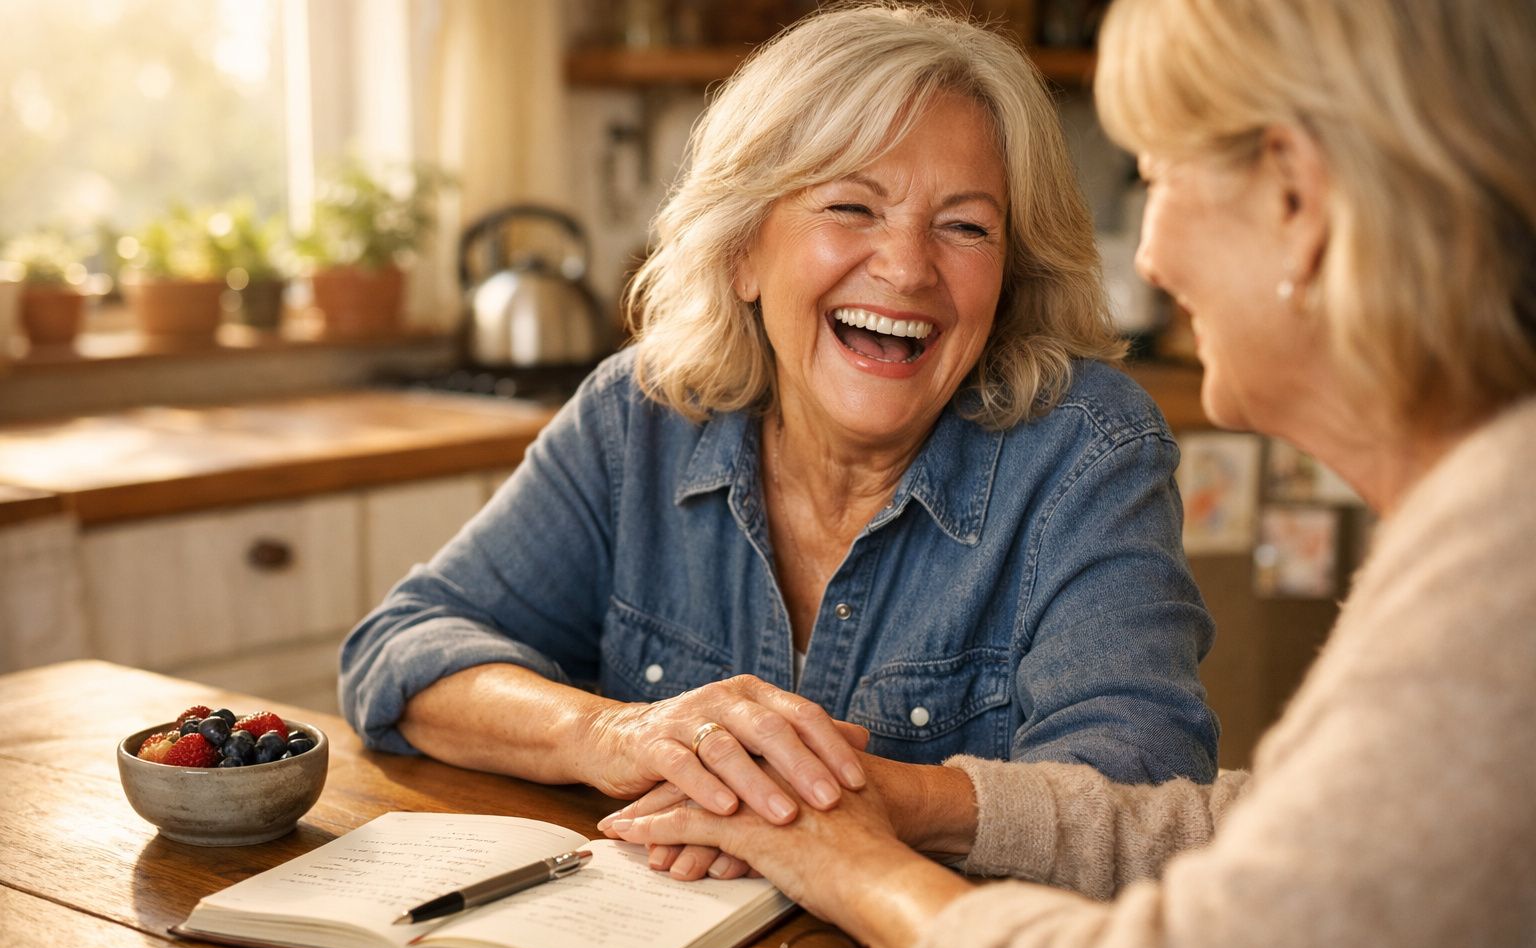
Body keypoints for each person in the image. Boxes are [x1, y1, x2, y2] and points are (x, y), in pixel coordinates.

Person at [606, 0, 1536, 948]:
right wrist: (887, 803)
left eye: (1160, 178)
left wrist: (848, 862)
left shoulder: (1501, 566)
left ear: (1295, 198)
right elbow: (1263, 828)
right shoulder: (1484, 517)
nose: (1151, 258)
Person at [341, 2, 1221, 881]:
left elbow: (1143, 794)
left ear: (1010, 277)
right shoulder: (641, 417)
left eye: (966, 226)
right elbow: (403, 647)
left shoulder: (1086, 452)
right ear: (743, 253)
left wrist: (849, 800)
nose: (907, 267)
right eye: (851, 206)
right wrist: (614, 733)